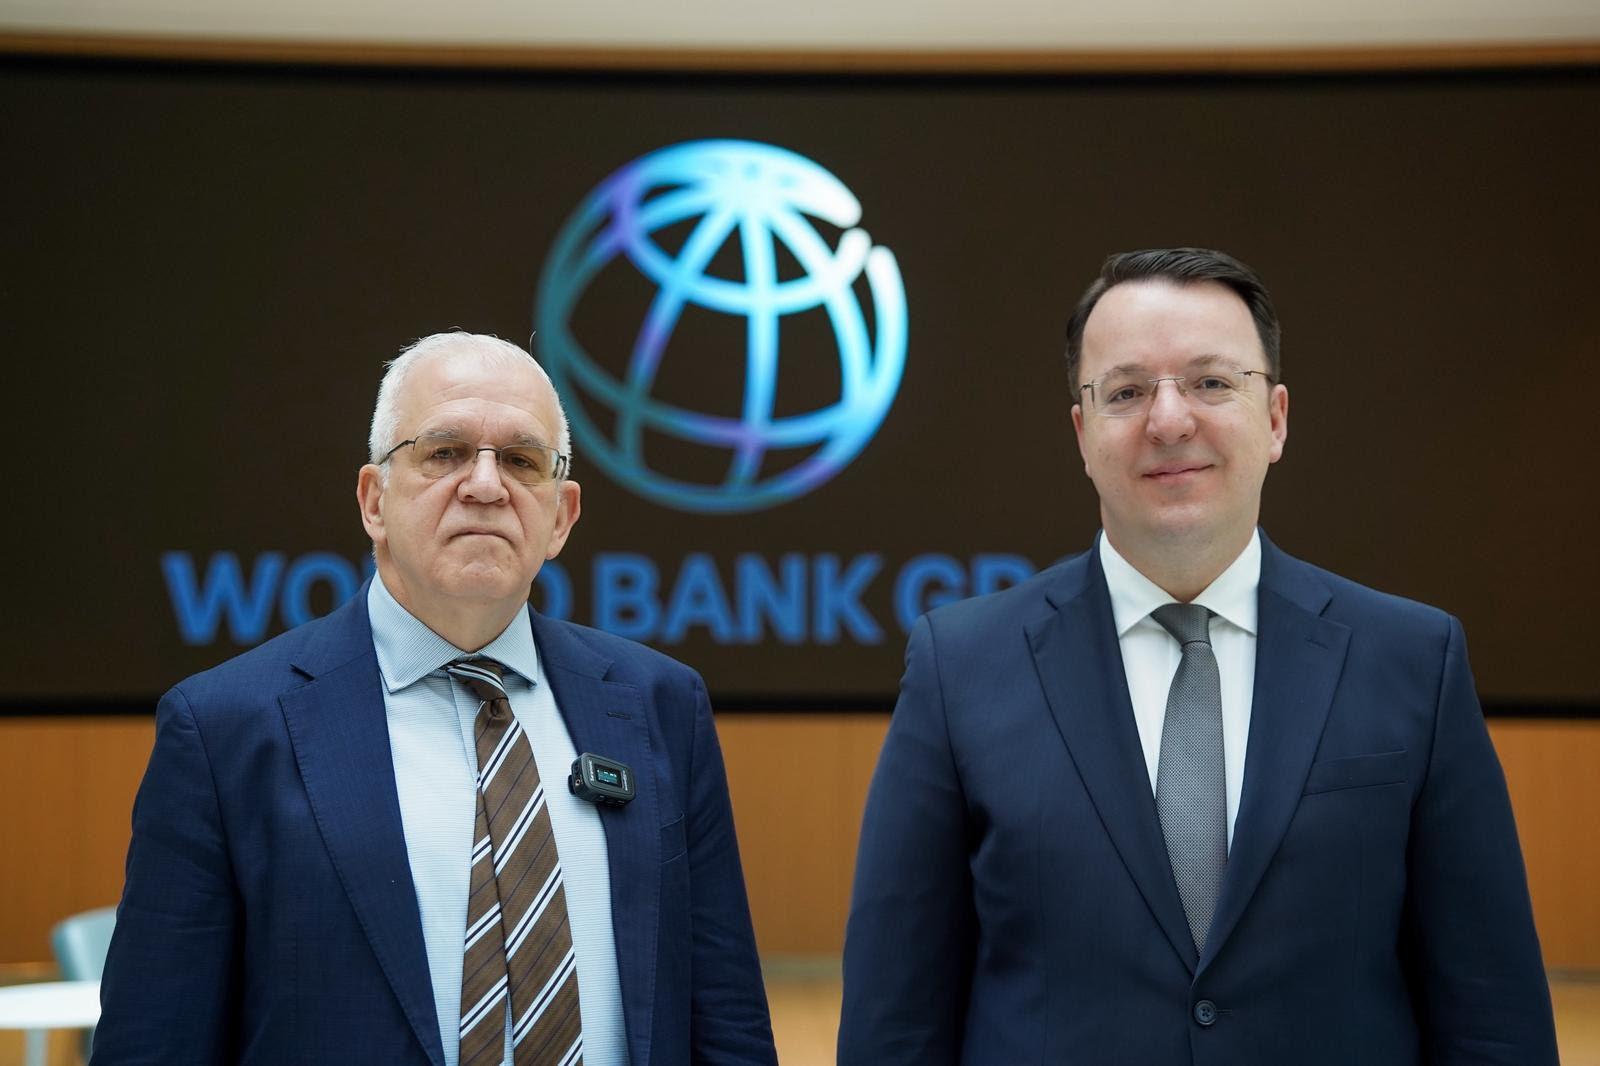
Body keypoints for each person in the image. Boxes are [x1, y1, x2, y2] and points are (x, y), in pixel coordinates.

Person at [838, 248, 1558, 1065]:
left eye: (1212, 382)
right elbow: (894, 1025)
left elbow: (1493, 1018)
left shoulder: (1414, 661)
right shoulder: (960, 667)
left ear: (1276, 418)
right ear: (1082, 434)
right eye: (1126, 392)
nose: (1169, 420)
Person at [95, 332, 778, 1066]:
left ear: (561, 516)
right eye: (445, 453)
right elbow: (154, 1044)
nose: (486, 486)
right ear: (374, 501)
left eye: (522, 461)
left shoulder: (660, 706)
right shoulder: (225, 730)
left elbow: (728, 1024)